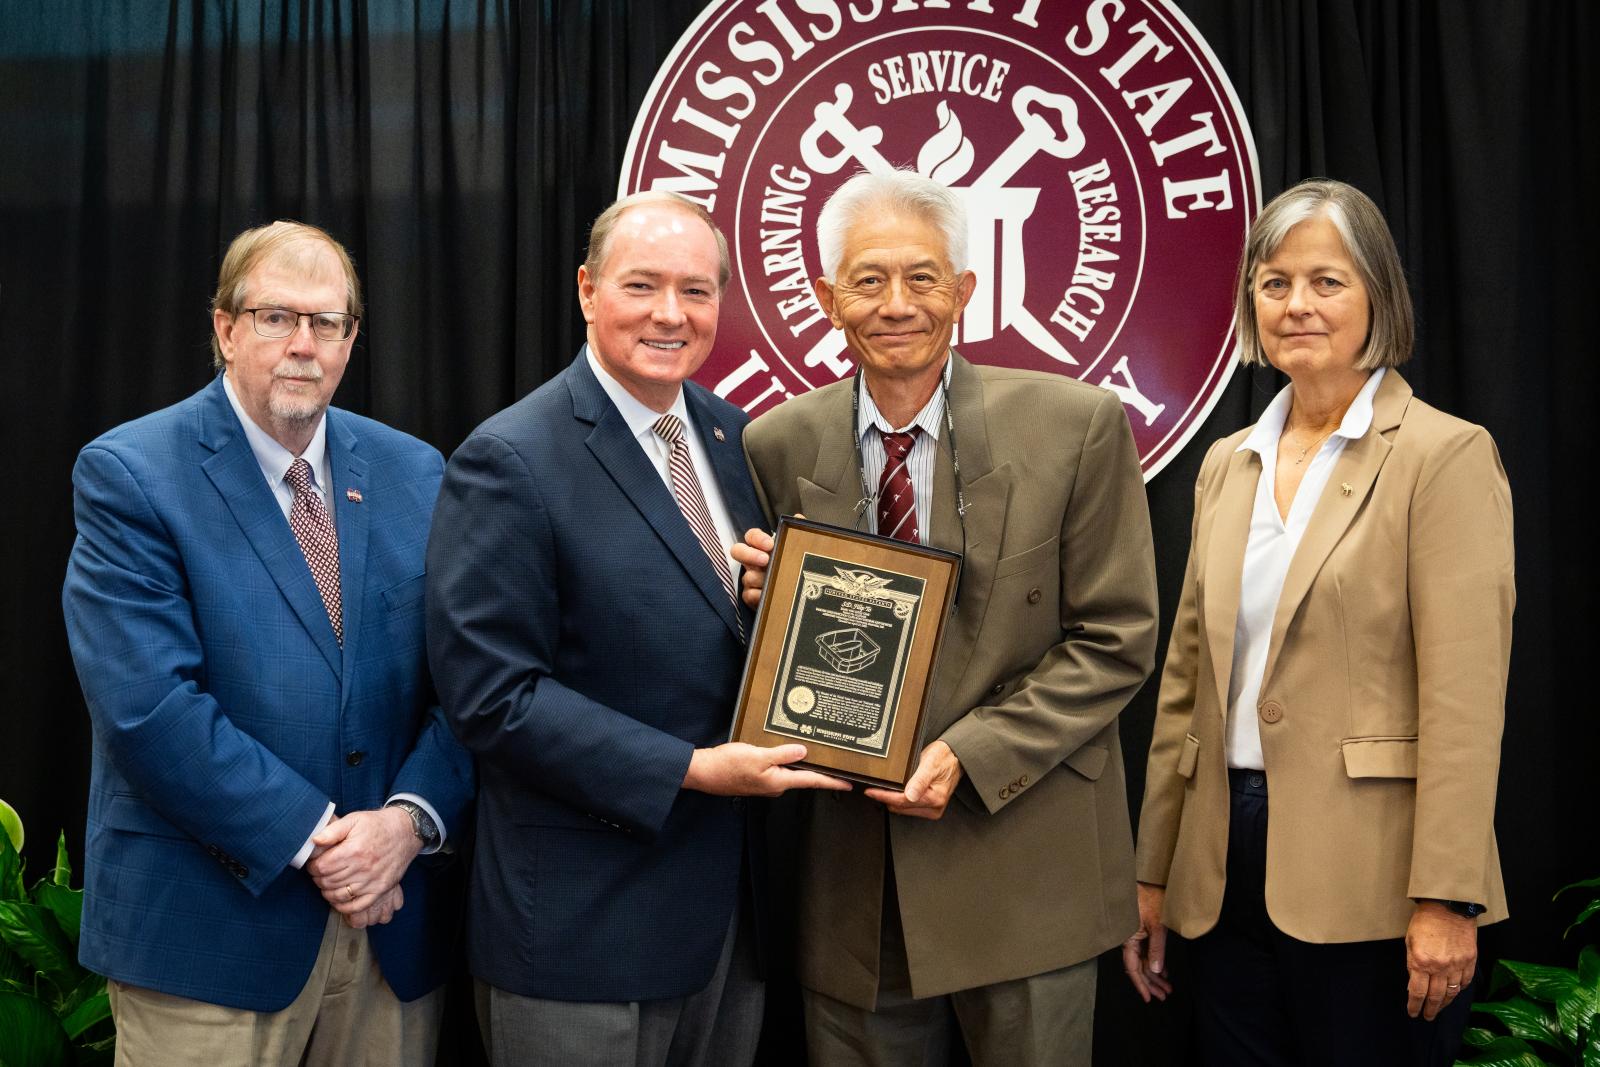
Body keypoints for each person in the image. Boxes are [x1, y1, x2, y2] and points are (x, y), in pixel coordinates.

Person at [733, 170, 1160, 1064]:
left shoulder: (1075, 424)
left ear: (965, 291)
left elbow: (1116, 638)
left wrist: (974, 752)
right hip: (852, 890)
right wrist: (764, 610)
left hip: (1023, 867)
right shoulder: (775, 443)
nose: (897, 304)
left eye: (923, 278)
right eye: (869, 279)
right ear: (827, 297)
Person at [425, 190, 848, 1067]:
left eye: (696, 291)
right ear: (587, 290)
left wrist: (777, 606)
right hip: (584, 929)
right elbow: (492, 698)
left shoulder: (738, 439)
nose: (670, 314)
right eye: (642, 286)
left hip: (730, 924)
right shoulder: (511, 458)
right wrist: (690, 770)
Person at [62, 221, 475, 1066]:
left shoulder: (416, 473)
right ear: (223, 327)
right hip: (210, 935)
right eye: (274, 316)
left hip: (387, 934)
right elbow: (149, 710)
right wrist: (324, 839)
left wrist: (407, 823)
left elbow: (471, 682)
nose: (302, 344)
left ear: (352, 339)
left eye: (326, 322)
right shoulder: (131, 473)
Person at [1123, 178, 1514, 1066]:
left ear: (1378, 293)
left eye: (1327, 281)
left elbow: (1465, 698)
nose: (1296, 304)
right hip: (1223, 871)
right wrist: (1155, 871)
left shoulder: (1443, 455)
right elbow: (1186, 687)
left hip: (1377, 880)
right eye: (1274, 282)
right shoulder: (1230, 462)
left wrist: (1448, 896)